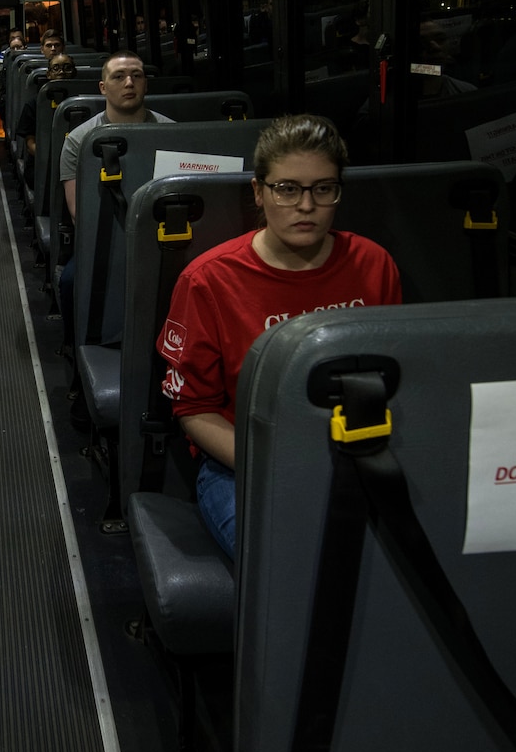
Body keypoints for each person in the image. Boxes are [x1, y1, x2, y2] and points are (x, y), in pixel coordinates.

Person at [158, 114, 403, 558]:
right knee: (292, 565)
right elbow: (194, 408)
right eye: (287, 189)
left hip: (359, 451)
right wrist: (282, 463)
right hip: (246, 465)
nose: (305, 206)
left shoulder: (373, 263)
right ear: (259, 191)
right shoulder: (209, 280)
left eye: (322, 189)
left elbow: (398, 379)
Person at [59, 51, 170, 223]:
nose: (129, 83)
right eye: (118, 77)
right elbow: (78, 213)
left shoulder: (172, 132)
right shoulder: (78, 140)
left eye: (137, 76)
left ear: (146, 85)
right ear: (103, 87)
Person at [17, 51, 77, 164]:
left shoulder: (83, 100)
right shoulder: (35, 104)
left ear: (74, 72)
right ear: (48, 74)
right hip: (45, 161)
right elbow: (30, 144)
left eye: (67, 68)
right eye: (56, 68)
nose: (62, 72)